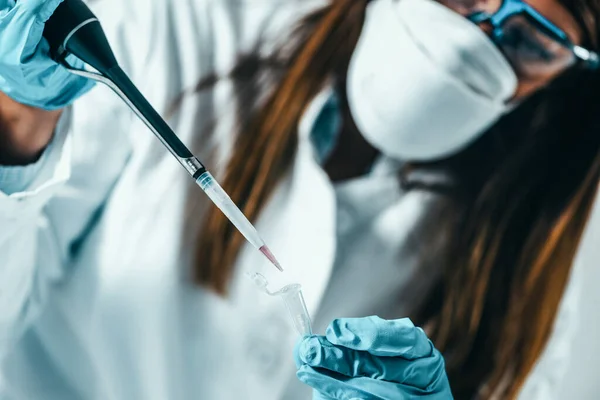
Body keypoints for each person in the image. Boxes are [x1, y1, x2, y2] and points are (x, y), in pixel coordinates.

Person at [0, 0, 598, 398]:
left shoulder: (529, 269)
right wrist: (17, 126)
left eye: (532, 39)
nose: (469, 38)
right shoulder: (186, 27)